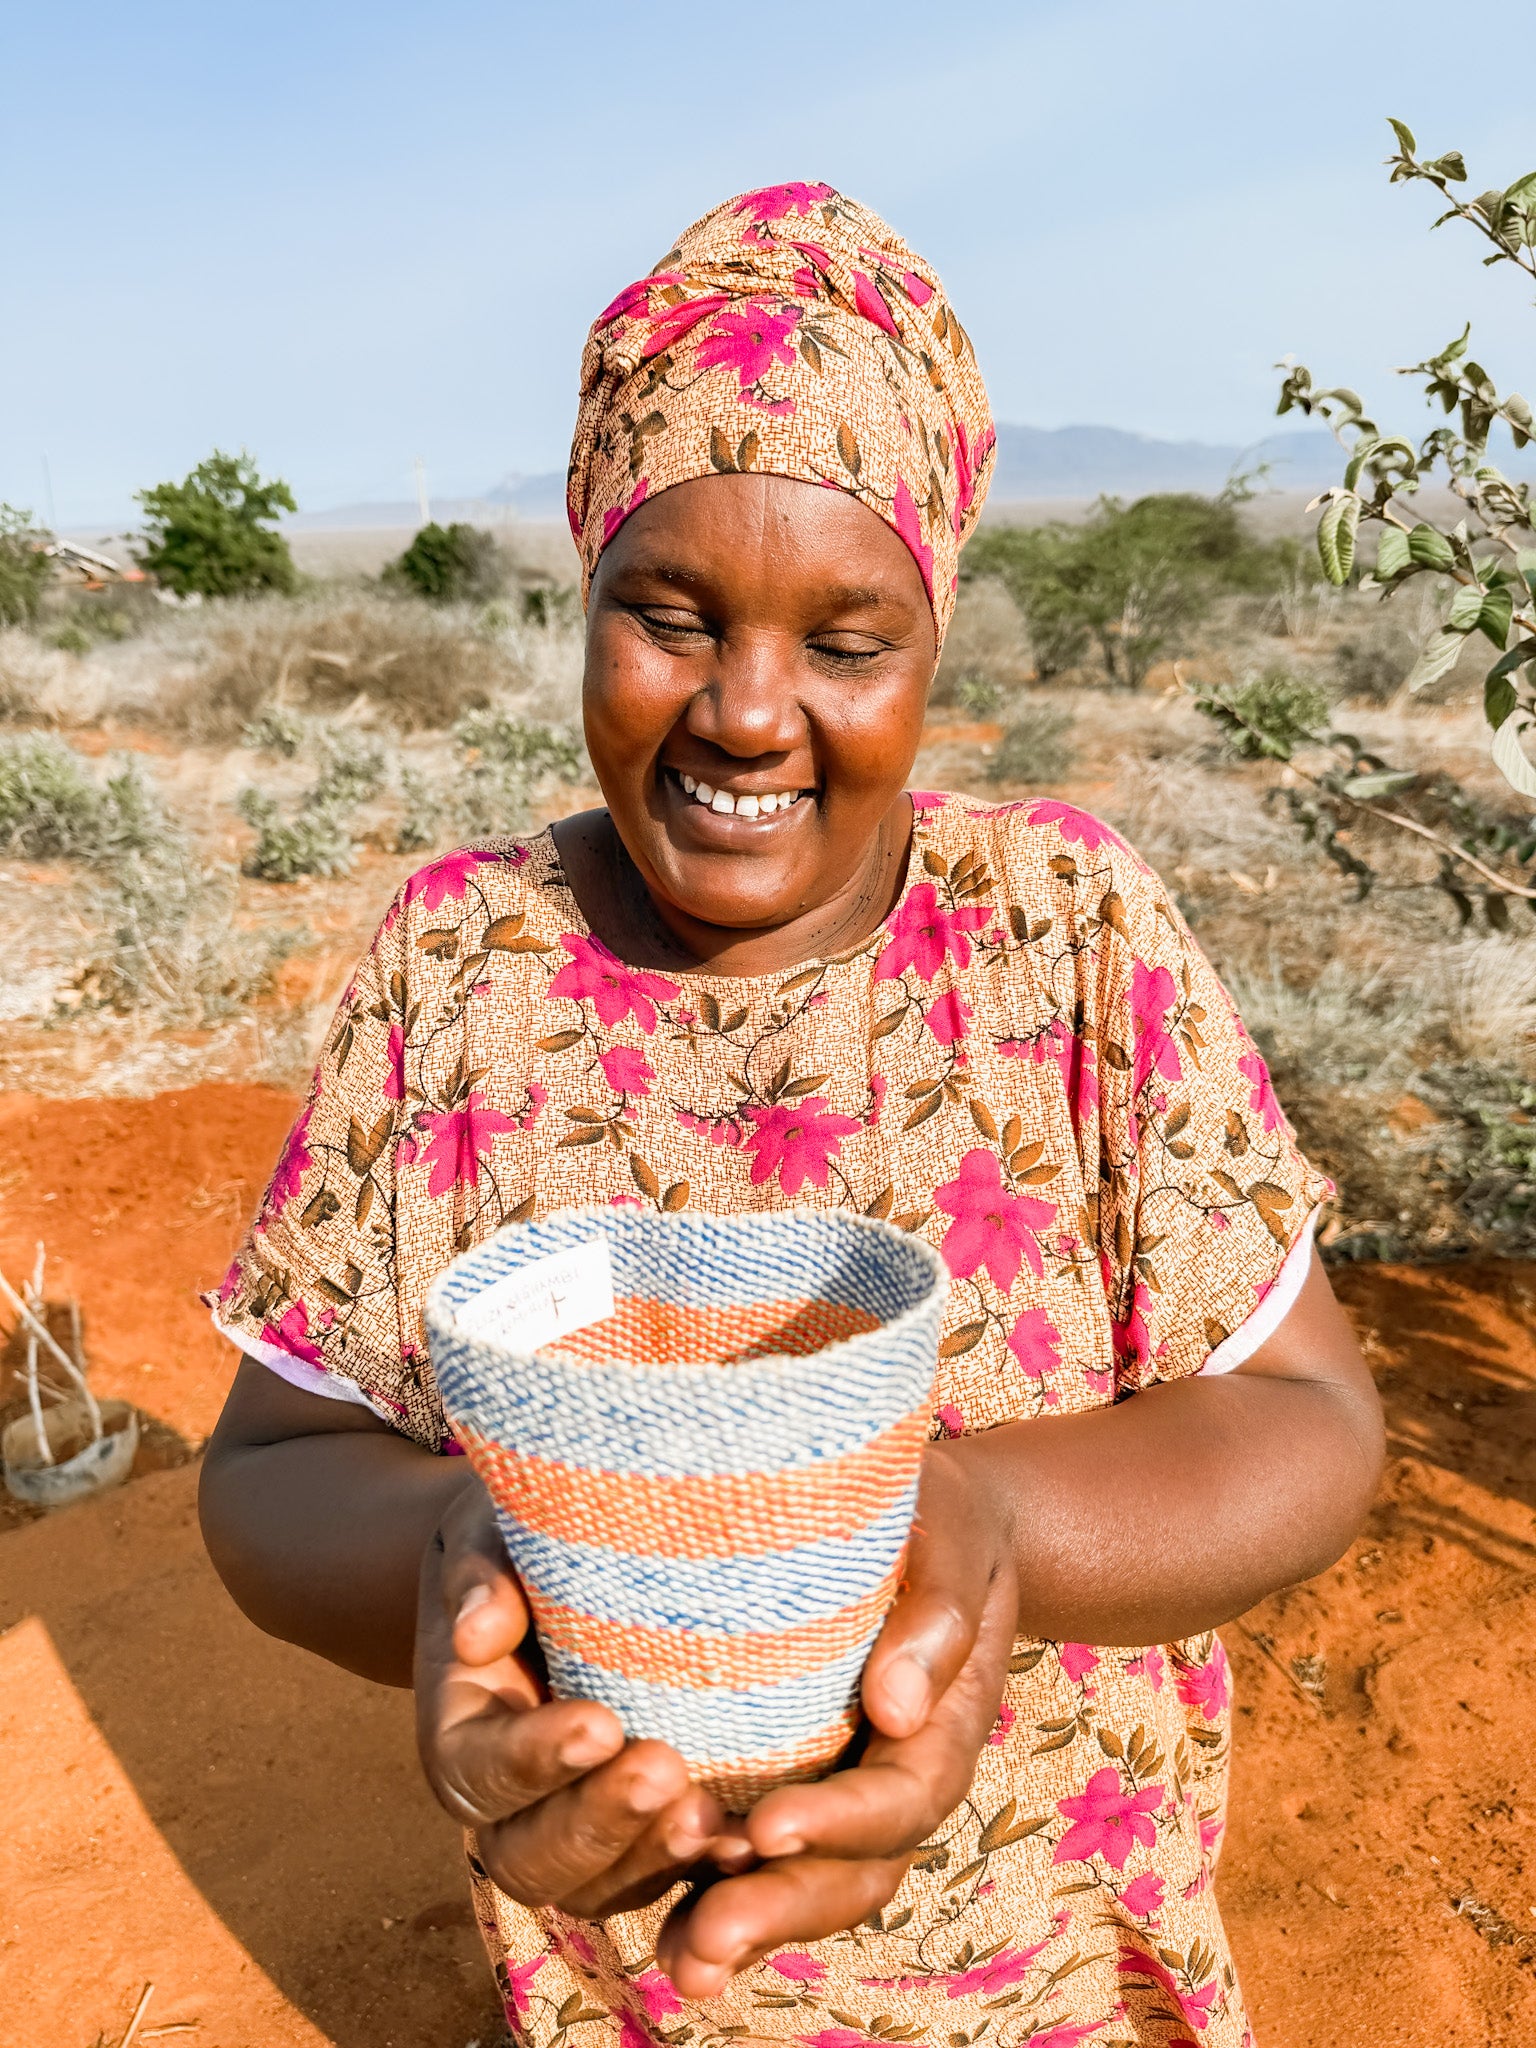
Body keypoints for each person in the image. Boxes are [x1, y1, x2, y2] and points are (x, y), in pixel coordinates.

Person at [199, 182, 1384, 2047]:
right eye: (669, 618)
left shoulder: (1064, 932)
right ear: (582, 595)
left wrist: (986, 1519)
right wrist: (453, 1567)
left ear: (936, 647)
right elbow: (268, 1477)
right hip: (638, 1992)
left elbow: (1311, 1421)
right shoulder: (460, 965)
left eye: (848, 645)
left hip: (1066, 1960)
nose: (749, 713)